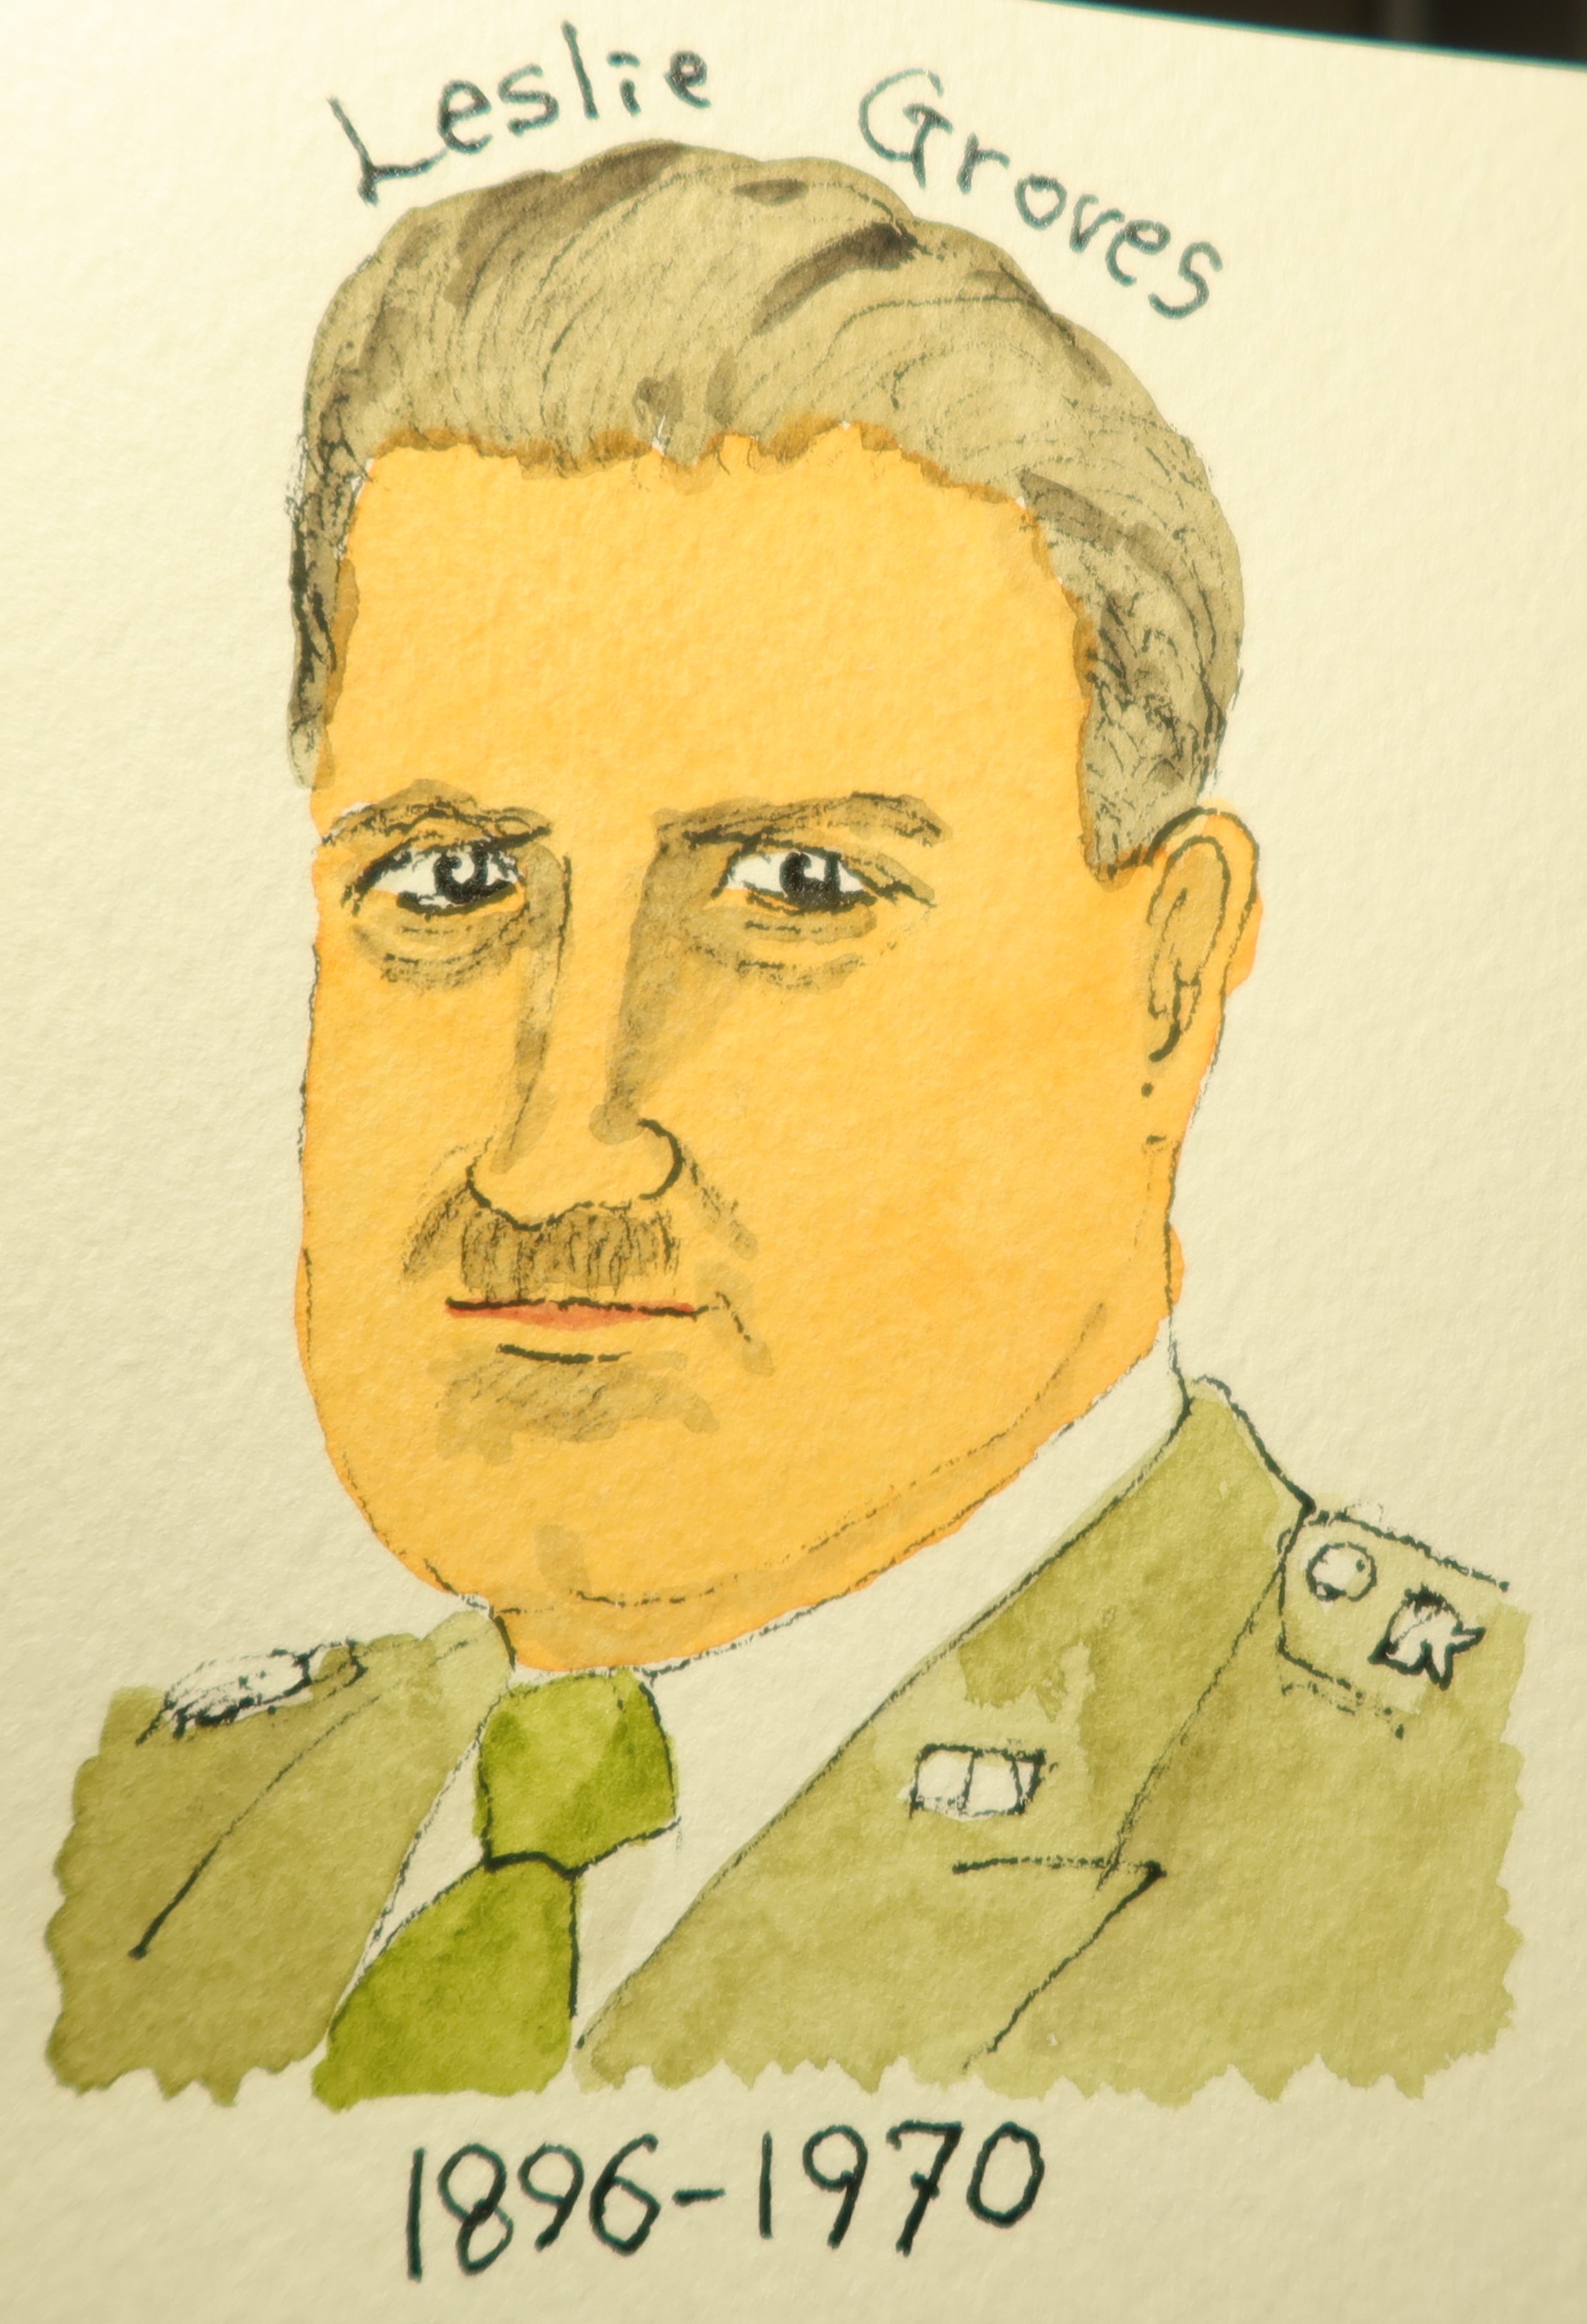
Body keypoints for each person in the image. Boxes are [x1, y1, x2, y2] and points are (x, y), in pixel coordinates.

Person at [47, 142, 1523, 2111]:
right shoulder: (148, 1835)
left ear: (1168, 983)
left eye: (797, 891)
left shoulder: (1473, 1831)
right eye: (452, 880)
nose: (555, 1147)